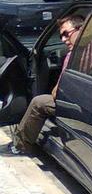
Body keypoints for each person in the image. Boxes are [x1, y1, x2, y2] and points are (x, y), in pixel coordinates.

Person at [5, 14, 85, 155]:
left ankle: (19, 145)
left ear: (81, 29)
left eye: (66, 34)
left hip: (75, 104)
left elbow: (56, 94)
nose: (64, 40)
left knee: (38, 102)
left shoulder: (73, 56)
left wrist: (54, 89)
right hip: (86, 100)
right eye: (61, 36)